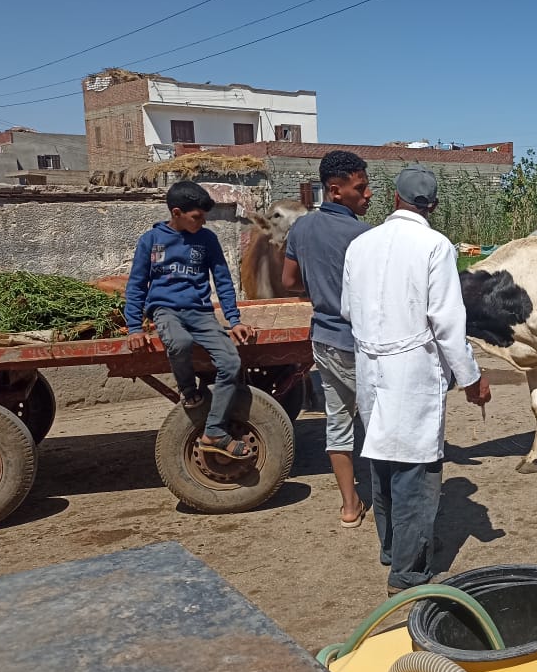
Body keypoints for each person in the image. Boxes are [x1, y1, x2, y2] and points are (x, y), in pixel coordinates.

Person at [341, 165, 491, 593]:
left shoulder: (360, 244)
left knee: (382, 458)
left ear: (394, 199)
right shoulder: (435, 246)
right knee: (415, 469)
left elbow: (348, 309)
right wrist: (472, 378)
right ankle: (408, 572)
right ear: (433, 206)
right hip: (412, 369)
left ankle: (394, 547)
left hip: (370, 365)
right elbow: (447, 321)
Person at [125, 181, 255, 460]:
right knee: (180, 342)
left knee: (231, 363)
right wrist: (134, 327)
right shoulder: (151, 240)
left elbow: (223, 280)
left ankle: (214, 430)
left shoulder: (207, 240)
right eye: (197, 216)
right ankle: (187, 389)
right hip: (165, 311)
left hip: (201, 313)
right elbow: (136, 285)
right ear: (177, 213)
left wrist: (234, 320)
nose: (203, 221)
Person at [282, 151, 372, 528]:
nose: (368, 194)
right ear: (335, 191)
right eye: (361, 188)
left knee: (338, 423)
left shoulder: (301, 228)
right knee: (379, 424)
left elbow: (288, 281)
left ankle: (349, 506)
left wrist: (321, 289)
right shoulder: (364, 236)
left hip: (322, 340)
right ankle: (388, 503)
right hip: (359, 345)